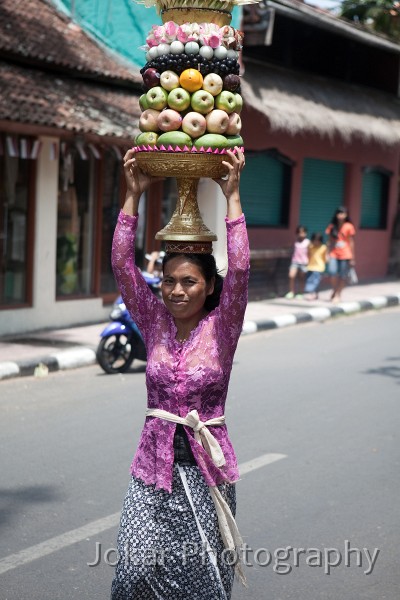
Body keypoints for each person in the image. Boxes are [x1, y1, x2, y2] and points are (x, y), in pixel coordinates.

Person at [110, 147, 249, 600]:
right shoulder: (153, 323)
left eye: (189, 281)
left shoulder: (222, 328)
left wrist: (232, 198)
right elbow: (121, 267)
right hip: (153, 469)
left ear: (209, 286)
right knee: (134, 575)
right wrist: (132, 197)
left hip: (206, 470)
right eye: (169, 281)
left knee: (202, 584)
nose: (176, 290)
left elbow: (241, 268)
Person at [325, 206, 356, 302]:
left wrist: (352, 257)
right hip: (334, 253)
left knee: (342, 275)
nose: (341, 215)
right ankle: (335, 290)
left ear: (346, 215)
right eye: (339, 213)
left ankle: (338, 295)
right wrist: (327, 254)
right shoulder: (332, 226)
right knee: (332, 272)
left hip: (345, 254)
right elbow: (329, 241)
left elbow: (351, 242)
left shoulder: (349, 226)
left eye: (343, 213)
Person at [285, 225, 310, 299]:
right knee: (291, 276)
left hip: (304, 262)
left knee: (301, 278)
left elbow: (310, 253)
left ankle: (300, 293)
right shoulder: (295, 241)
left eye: (303, 232)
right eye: (299, 232)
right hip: (295, 261)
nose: (301, 234)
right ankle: (291, 292)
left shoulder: (308, 242)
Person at [304, 233, 328, 300]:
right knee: (310, 281)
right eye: (314, 240)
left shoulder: (323, 247)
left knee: (315, 282)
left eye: (318, 240)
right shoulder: (311, 247)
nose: (316, 242)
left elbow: (325, 258)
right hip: (311, 266)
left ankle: (312, 294)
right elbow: (308, 254)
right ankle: (314, 294)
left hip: (319, 268)